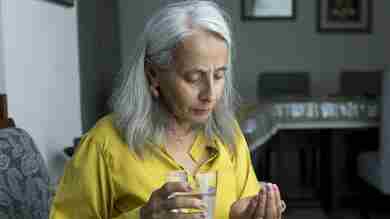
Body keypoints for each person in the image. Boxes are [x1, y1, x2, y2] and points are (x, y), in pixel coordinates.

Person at [49, 1, 285, 218]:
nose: (210, 94)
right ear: (153, 74)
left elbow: (244, 206)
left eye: (219, 75)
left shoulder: (229, 135)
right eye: (193, 78)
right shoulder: (104, 145)